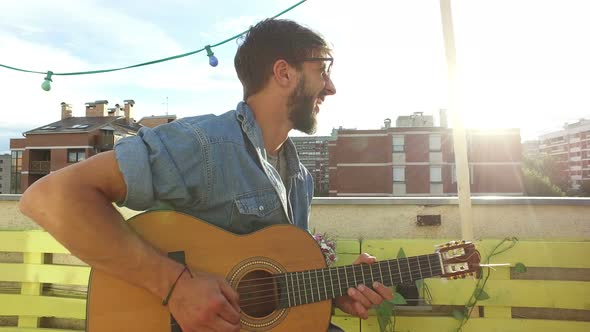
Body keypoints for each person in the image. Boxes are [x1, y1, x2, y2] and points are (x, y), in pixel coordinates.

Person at [19, 18, 393, 332]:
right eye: (323, 70)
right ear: (283, 72)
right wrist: (176, 286)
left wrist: (333, 289)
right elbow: (48, 197)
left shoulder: (299, 177)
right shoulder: (203, 145)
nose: (331, 87)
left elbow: (271, 287)